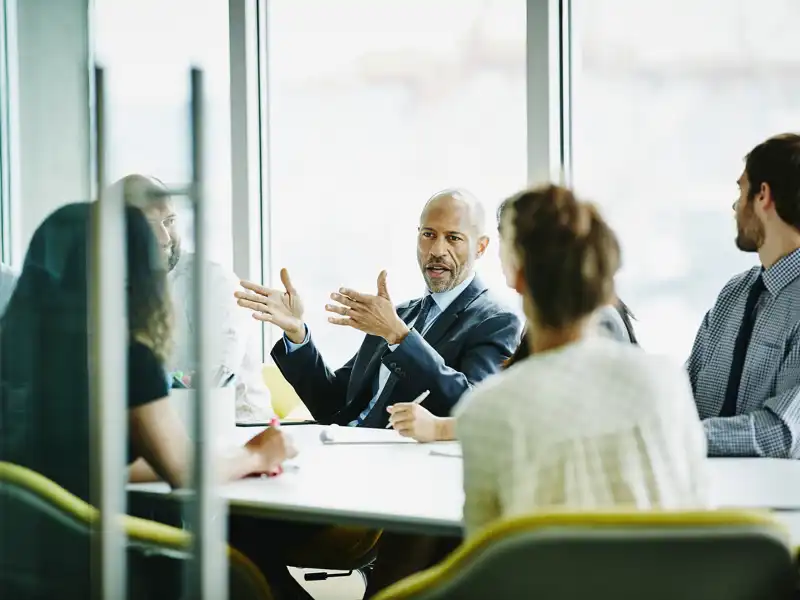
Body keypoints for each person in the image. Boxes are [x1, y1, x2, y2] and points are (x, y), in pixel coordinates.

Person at [0, 203, 294, 598]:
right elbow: (182, 472)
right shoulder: (125, 355)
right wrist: (258, 454)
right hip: (101, 566)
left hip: (24, 563)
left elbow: (74, 460)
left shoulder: (19, 348)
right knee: (252, 573)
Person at [455, 184, 708, 538]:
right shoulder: (667, 382)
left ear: (517, 277)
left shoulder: (486, 412)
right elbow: (697, 513)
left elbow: (484, 552)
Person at [237, 188, 522, 428]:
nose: (437, 250)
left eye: (453, 238)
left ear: (480, 247)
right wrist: (297, 333)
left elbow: (473, 409)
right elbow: (332, 404)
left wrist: (399, 337)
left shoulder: (496, 320)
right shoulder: (400, 314)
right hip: (345, 447)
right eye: (428, 234)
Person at [387, 195, 639, 442]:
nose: (499, 255)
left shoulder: (596, 322)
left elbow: (546, 420)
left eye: (505, 242)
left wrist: (440, 429)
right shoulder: (551, 319)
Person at [114, 174, 273, 423]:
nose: (165, 238)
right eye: (149, 224)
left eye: (169, 221)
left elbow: (213, 380)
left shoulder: (211, 282)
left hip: (237, 430)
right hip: (152, 431)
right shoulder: (108, 285)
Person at [688, 133, 800, 458]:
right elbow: (685, 393)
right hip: (702, 485)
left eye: (741, 190)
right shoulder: (732, 295)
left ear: (763, 195)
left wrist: (680, 437)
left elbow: (783, 432)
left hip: (772, 492)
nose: (735, 206)